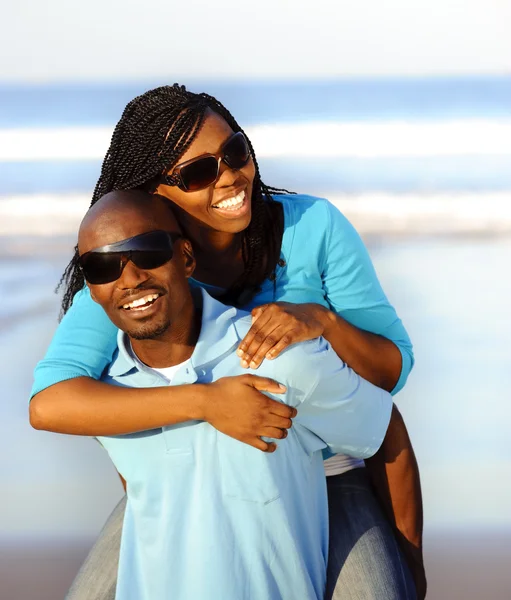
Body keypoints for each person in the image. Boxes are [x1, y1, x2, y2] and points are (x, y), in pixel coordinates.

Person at [30, 84, 424, 599]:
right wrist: (206, 403)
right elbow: (52, 403)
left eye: (235, 152)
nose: (231, 176)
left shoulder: (312, 227)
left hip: (330, 472)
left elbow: (391, 374)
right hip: (203, 478)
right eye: (198, 173)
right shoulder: (141, 273)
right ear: (154, 195)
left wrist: (322, 321)